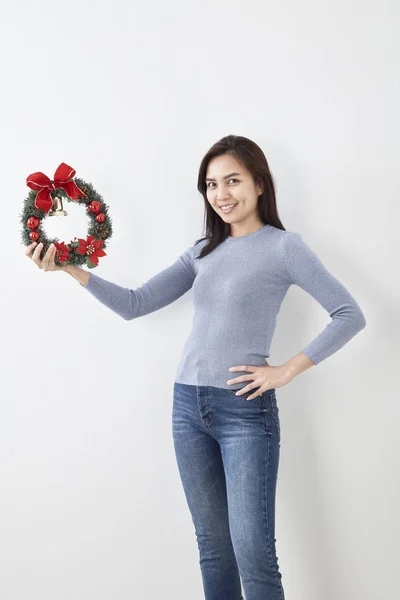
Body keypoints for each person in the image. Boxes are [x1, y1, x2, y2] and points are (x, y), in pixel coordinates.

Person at [25, 134, 366, 600]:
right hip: (187, 406)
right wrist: (70, 269)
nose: (222, 194)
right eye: (211, 184)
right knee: (213, 550)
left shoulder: (285, 248)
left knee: (254, 556)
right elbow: (135, 303)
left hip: (245, 411)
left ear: (259, 184)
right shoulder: (203, 250)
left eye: (233, 181)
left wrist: (285, 370)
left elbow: (349, 314)